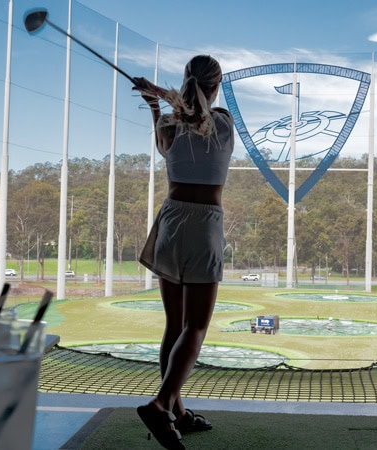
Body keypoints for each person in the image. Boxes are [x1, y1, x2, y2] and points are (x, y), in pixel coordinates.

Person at [132, 55, 234, 450]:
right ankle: (160, 404)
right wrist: (157, 95)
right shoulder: (223, 122)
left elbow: (166, 140)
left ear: (186, 80)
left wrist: (154, 102)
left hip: (170, 222)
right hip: (204, 223)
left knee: (174, 325)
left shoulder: (168, 122)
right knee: (196, 327)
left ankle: (176, 411)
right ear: (216, 85)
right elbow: (197, 111)